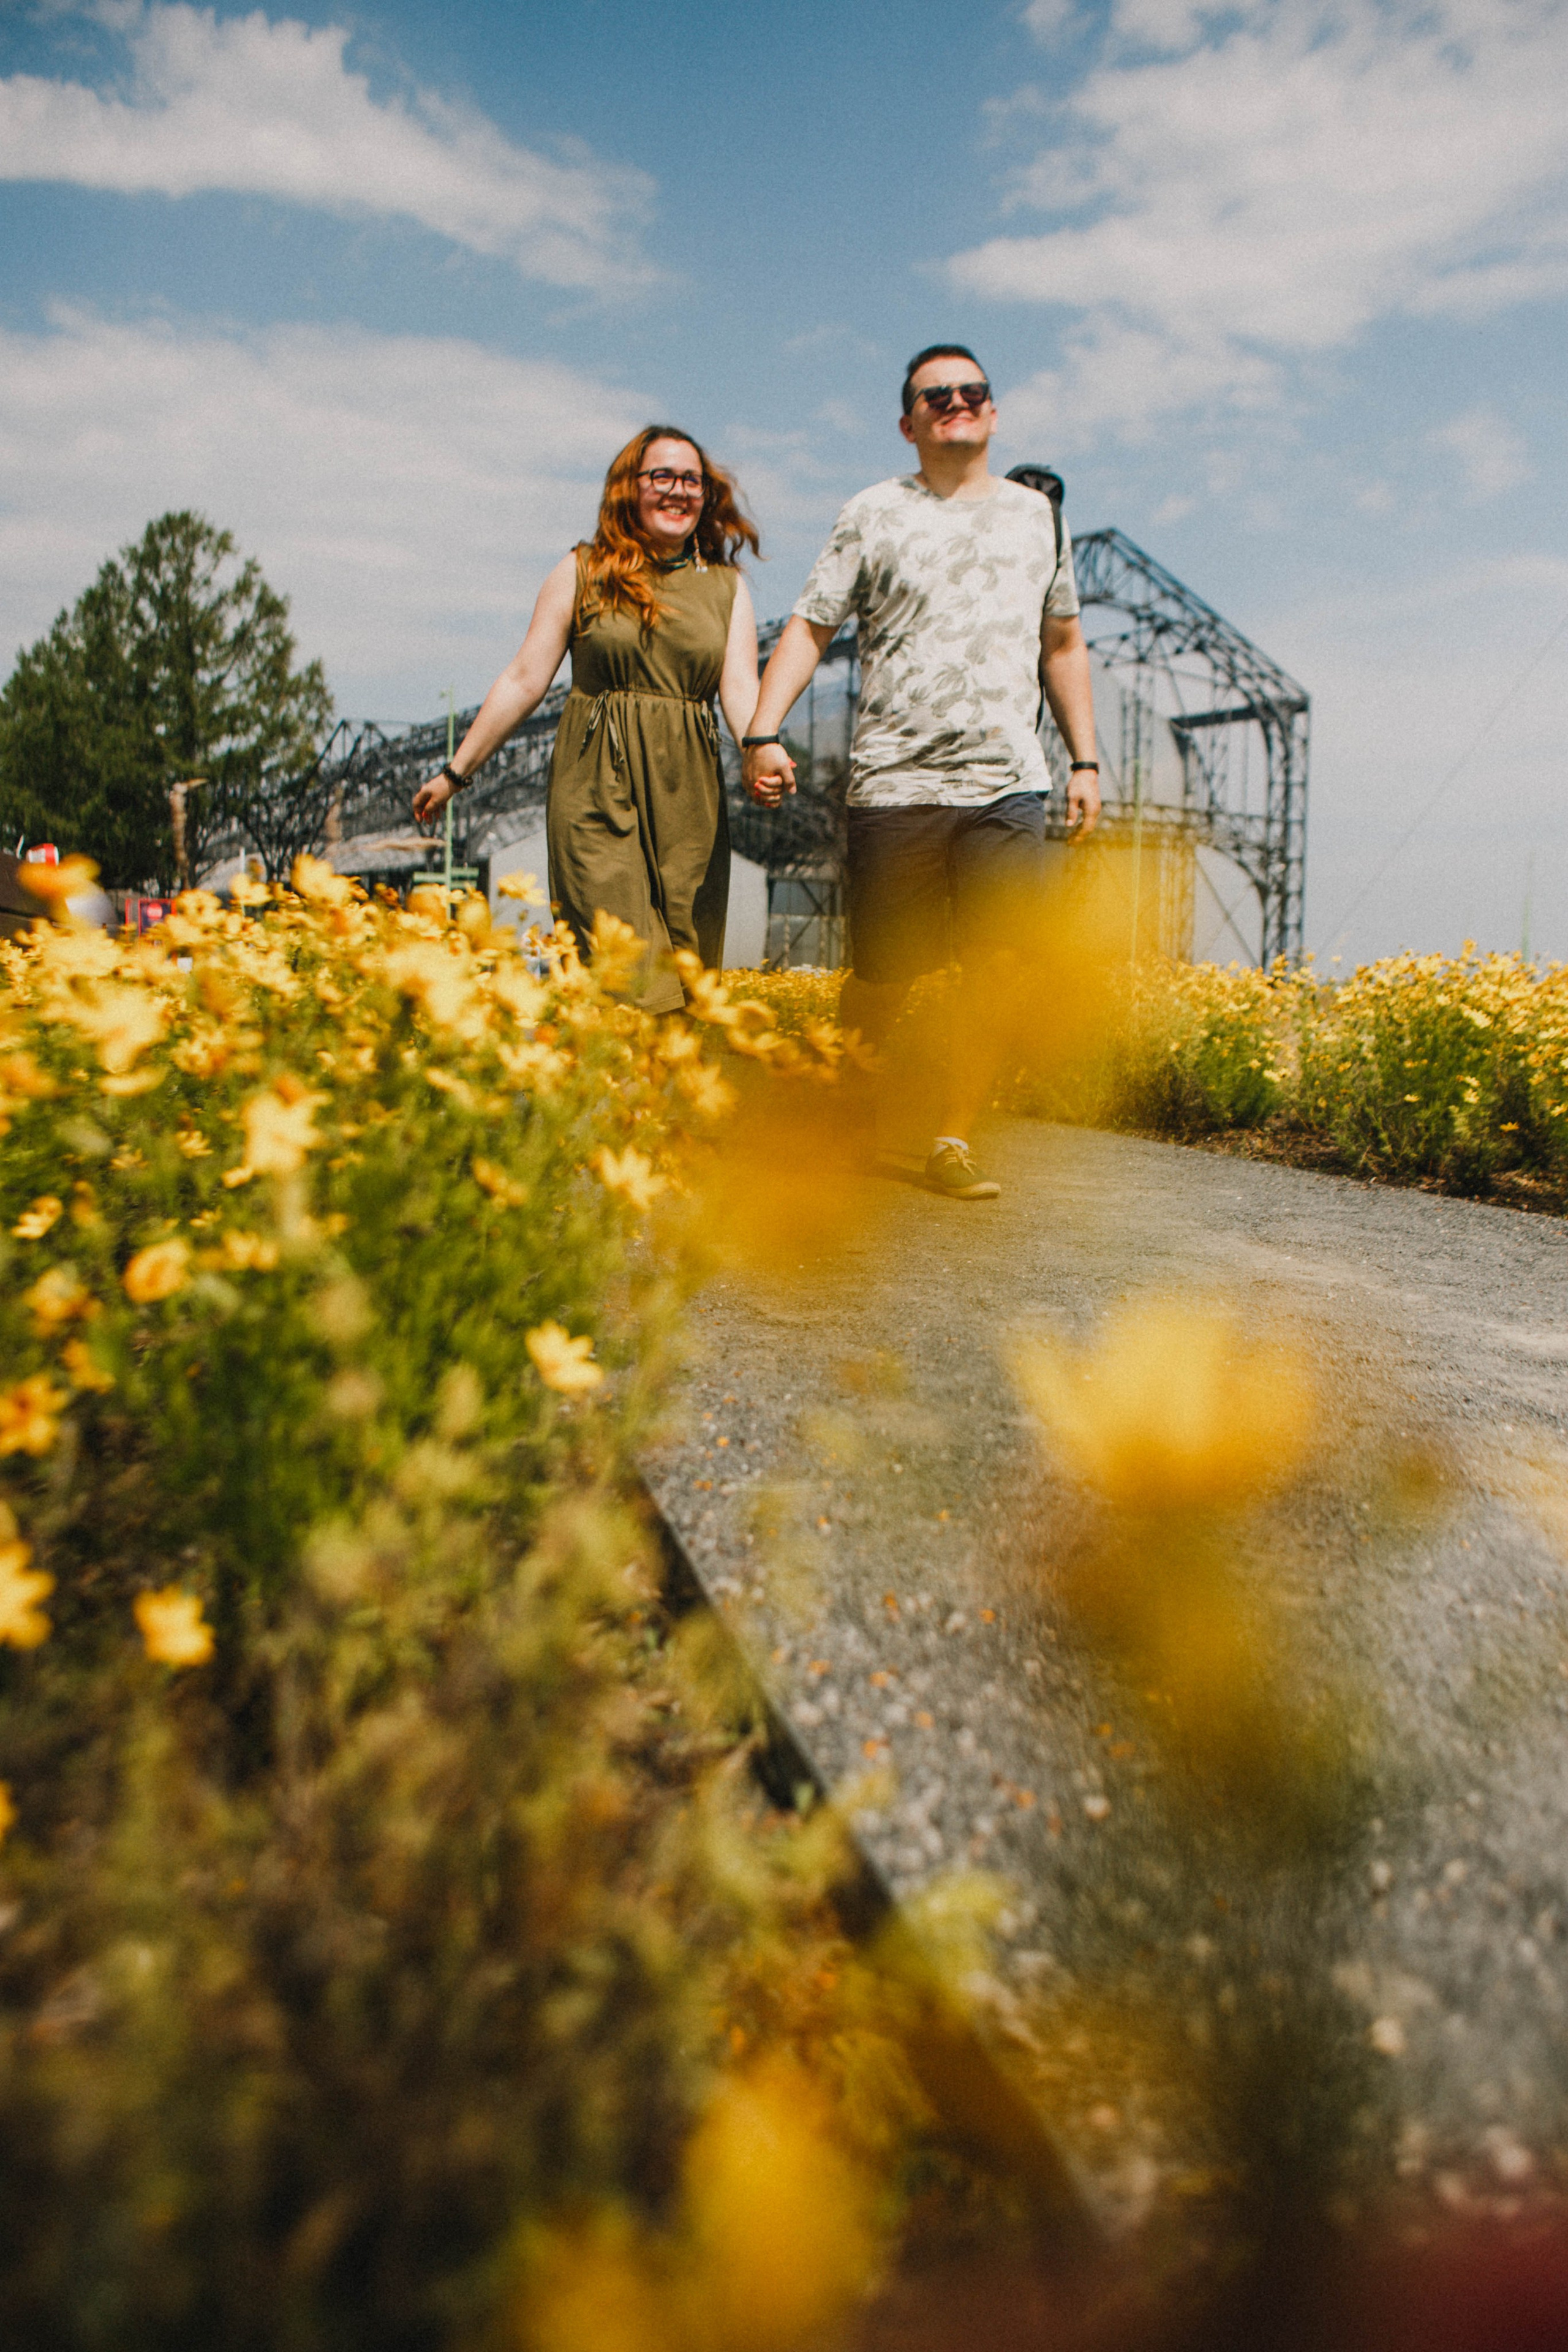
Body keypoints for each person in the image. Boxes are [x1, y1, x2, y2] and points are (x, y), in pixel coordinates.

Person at [741, 344, 1101, 1201]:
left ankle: (950, 1140)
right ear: (908, 424)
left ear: (994, 411)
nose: (956, 404)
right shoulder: (872, 513)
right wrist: (763, 728)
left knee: (1000, 965)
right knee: (884, 975)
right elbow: (809, 624)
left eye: (972, 392)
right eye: (935, 396)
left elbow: (1064, 641)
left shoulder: (1037, 518)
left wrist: (1084, 758)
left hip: (1009, 780)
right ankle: (844, 1108)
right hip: (896, 780)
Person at [413, 426, 761, 1013]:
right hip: (597, 784)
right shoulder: (582, 570)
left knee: (688, 969)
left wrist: (763, 748)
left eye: (692, 480)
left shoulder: (727, 589)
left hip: (688, 798)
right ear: (632, 487)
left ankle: (659, 1103)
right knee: (622, 964)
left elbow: (742, 687)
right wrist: (456, 772)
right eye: (663, 477)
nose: (679, 491)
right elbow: (526, 678)